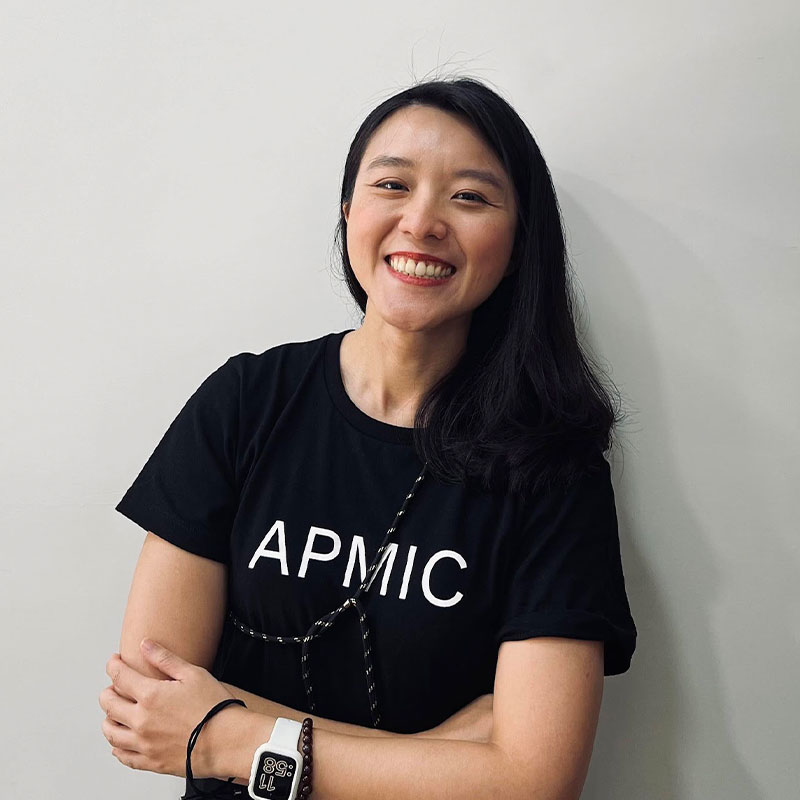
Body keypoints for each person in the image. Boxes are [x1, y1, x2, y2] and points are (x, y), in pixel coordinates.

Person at [99, 76, 637, 800]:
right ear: (349, 210)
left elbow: (535, 784)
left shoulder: (552, 467)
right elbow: (147, 711)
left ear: (517, 244)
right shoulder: (247, 401)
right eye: (392, 185)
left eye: (469, 197)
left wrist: (230, 737)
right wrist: (449, 755)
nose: (422, 222)